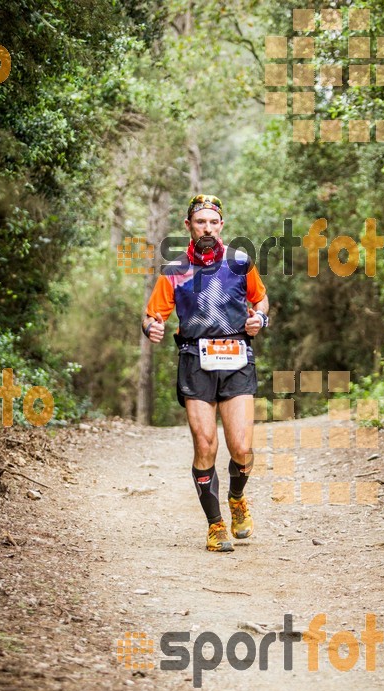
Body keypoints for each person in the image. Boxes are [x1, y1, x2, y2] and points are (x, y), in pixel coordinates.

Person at [141, 194, 269, 553]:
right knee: (205, 445)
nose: (207, 228)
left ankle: (237, 498)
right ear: (188, 227)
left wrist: (261, 318)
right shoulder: (175, 271)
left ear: (222, 226)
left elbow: (261, 300)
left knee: (241, 448)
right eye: (200, 222)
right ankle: (215, 526)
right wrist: (151, 327)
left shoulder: (241, 263)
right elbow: (152, 315)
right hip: (195, 360)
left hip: (237, 357)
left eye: (213, 222)